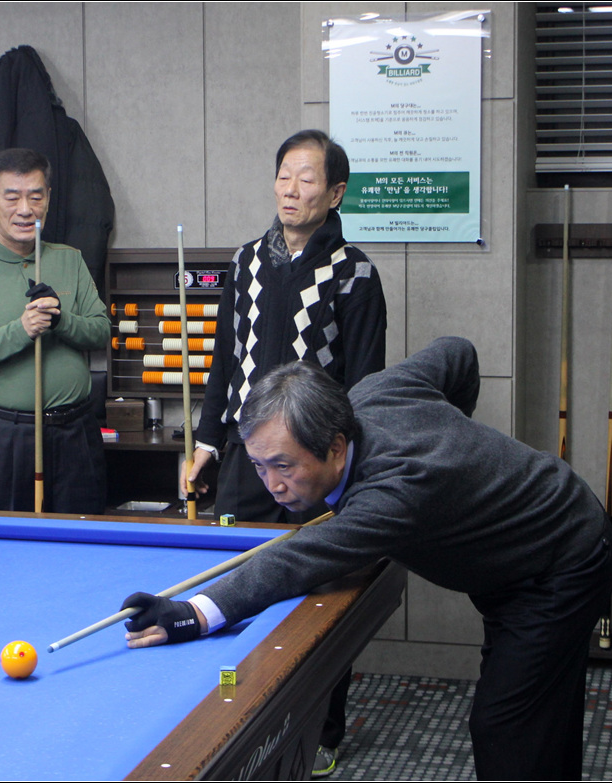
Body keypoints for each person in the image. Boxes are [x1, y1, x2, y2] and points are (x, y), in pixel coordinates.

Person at [123, 338, 612, 781]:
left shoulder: (395, 493)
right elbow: (459, 352)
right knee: (542, 716)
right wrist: (455, 435)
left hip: (560, 560)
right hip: (518, 552)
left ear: (337, 448)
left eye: (284, 466)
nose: (272, 485)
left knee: (506, 728)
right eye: (259, 465)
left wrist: (194, 612)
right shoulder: (374, 393)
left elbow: (295, 560)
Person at [180, 129, 388, 776]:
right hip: (246, 461)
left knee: (318, 598)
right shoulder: (244, 261)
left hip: (315, 469)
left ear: (336, 193)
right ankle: (230, 718)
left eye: (308, 179)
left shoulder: (355, 273)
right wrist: (206, 443)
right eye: (284, 176)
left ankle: (323, 729)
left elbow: (367, 385)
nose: (292, 190)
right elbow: (223, 361)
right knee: (238, 580)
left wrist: (347, 471)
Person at [0, 148, 109, 514]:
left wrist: (61, 320)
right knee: (4, 543)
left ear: (48, 198)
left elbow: (100, 333)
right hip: (4, 437)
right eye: (12, 197)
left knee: (83, 538)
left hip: (75, 432)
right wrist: (21, 330)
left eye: (35, 196)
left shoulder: (69, 259)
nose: (25, 209)